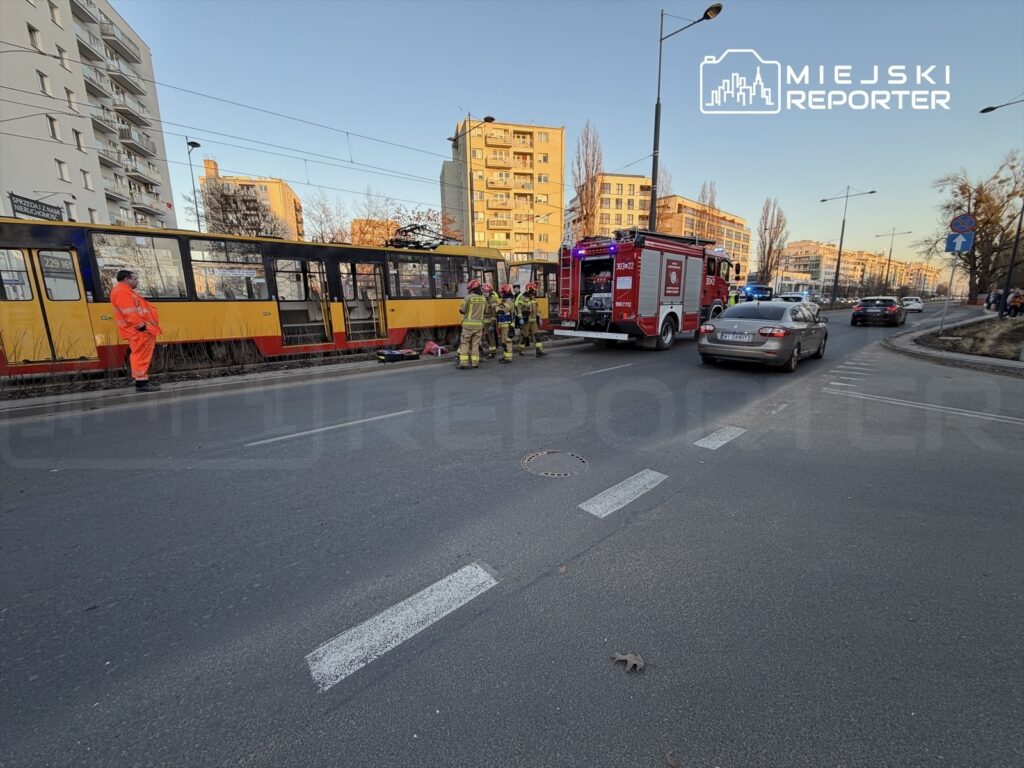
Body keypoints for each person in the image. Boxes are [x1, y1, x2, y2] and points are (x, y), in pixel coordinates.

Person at [110, 270, 162, 392]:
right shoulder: (122, 292)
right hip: (139, 331)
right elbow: (129, 312)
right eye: (135, 279)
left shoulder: (124, 291)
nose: (137, 281)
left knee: (142, 355)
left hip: (139, 330)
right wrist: (140, 326)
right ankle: (141, 383)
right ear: (126, 279)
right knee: (140, 355)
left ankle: (143, 380)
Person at [456, 279, 487, 369]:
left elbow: (462, 310)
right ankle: (475, 363)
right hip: (479, 326)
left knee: (465, 343)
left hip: (468, 326)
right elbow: (486, 311)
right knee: (475, 344)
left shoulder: (468, 297)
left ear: (471, 288)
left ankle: (464, 363)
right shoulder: (483, 299)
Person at [518, 282, 546, 357]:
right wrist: (520, 318)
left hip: (533, 321)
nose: (534, 292)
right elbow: (518, 308)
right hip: (526, 321)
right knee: (524, 336)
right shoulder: (522, 298)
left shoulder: (533, 298)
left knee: (537, 336)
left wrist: (539, 317)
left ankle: (539, 351)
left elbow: (536, 309)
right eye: (533, 290)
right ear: (529, 289)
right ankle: (520, 350)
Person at [496, 284, 516, 364]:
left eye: (501, 293)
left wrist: (497, 308)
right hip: (503, 325)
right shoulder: (504, 301)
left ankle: (508, 358)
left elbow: (502, 311)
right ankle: (505, 356)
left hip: (508, 325)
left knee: (507, 342)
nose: (500, 294)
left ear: (505, 293)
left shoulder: (509, 301)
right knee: (503, 342)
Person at [481, 283, 498, 359]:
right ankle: (490, 351)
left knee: (491, 338)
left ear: (490, 292)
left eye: (486, 292)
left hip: (490, 323)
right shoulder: (484, 299)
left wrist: (492, 324)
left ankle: (492, 352)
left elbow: (494, 313)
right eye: (484, 292)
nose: (485, 293)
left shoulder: (492, 300)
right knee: (487, 338)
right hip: (484, 323)